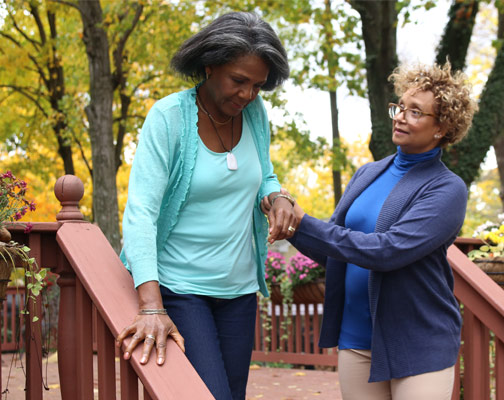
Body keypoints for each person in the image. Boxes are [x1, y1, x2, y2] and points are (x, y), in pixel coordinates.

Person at [116, 12, 297, 400]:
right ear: (209, 65)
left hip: (239, 291)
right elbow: (141, 212)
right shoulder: (168, 118)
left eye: (258, 86)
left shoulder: (254, 114)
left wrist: (279, 195)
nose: (247, 95)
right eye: (239, 81)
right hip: (181, 288)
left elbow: (264, 174)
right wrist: (151, 306)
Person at [268, 62, 477, 399]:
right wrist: (291, 225)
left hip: (417, 342)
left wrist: (305, 222)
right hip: (356, 339)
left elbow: (387, 251)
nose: (400, 117)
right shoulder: (367, 174)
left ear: (442, 127)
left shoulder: (446, 189)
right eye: (399, 107)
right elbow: (334, 252)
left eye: (415, 112)